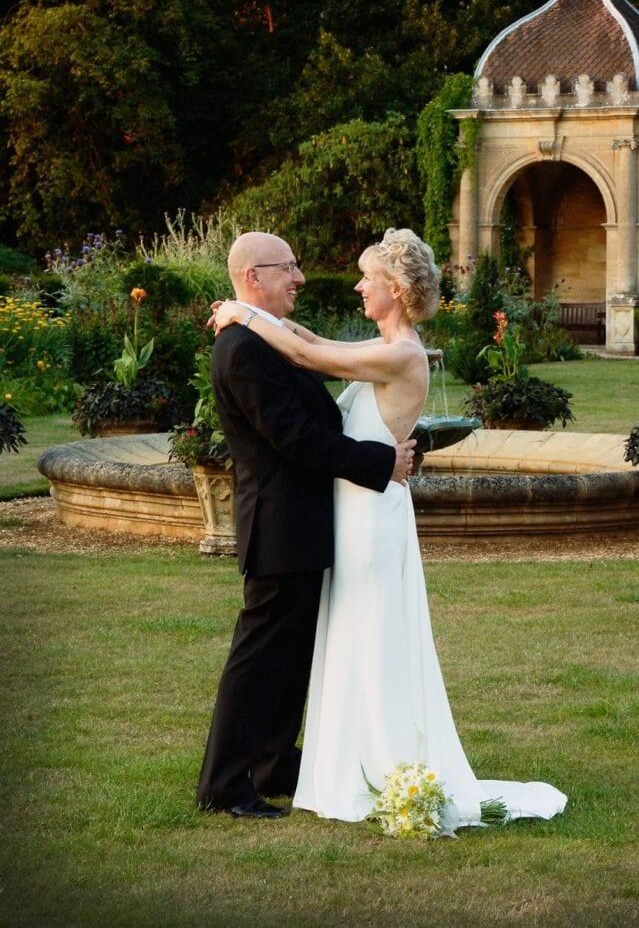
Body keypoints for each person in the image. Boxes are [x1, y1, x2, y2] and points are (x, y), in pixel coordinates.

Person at [213, 227, 567, 830]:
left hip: (367, 520)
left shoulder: (402, 354)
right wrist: (241, 311)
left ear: (395, 289)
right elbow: (311, 341)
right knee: (339, 637)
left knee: (367, 634)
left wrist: (241, 312)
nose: (354, 284)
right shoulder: (378, 345)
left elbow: (308, 353)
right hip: (343, 515)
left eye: (367, 277)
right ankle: (326, 759)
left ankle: (371, 755)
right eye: (291, 268)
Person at [196, 231, 416, 819]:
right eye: (287, 268)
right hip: (279, 526)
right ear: (253, 278)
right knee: (259, 659)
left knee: (292, 658)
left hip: (302, 525)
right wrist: (380, 462)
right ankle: (223, 784)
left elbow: (316, 355)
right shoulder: (242, 350)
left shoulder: (263, 339)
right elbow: (293, 439)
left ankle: (270, 765)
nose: (299, 277)